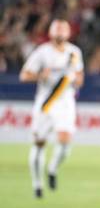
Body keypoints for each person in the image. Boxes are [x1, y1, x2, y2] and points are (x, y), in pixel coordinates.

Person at [19, 19, 84, 198]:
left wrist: (74, 79)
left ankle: (53, 168)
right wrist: (40, 75)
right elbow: (24, 75)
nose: (60, 32)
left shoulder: (74, 52)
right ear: (51, 32)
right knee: (39, 143)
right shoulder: (42, 52)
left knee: (65, 142)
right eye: (57, 29)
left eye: (64, 29)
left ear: (69, 33)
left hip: (65, 102)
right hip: (46, 102)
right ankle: (37, 185)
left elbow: (80, 78)